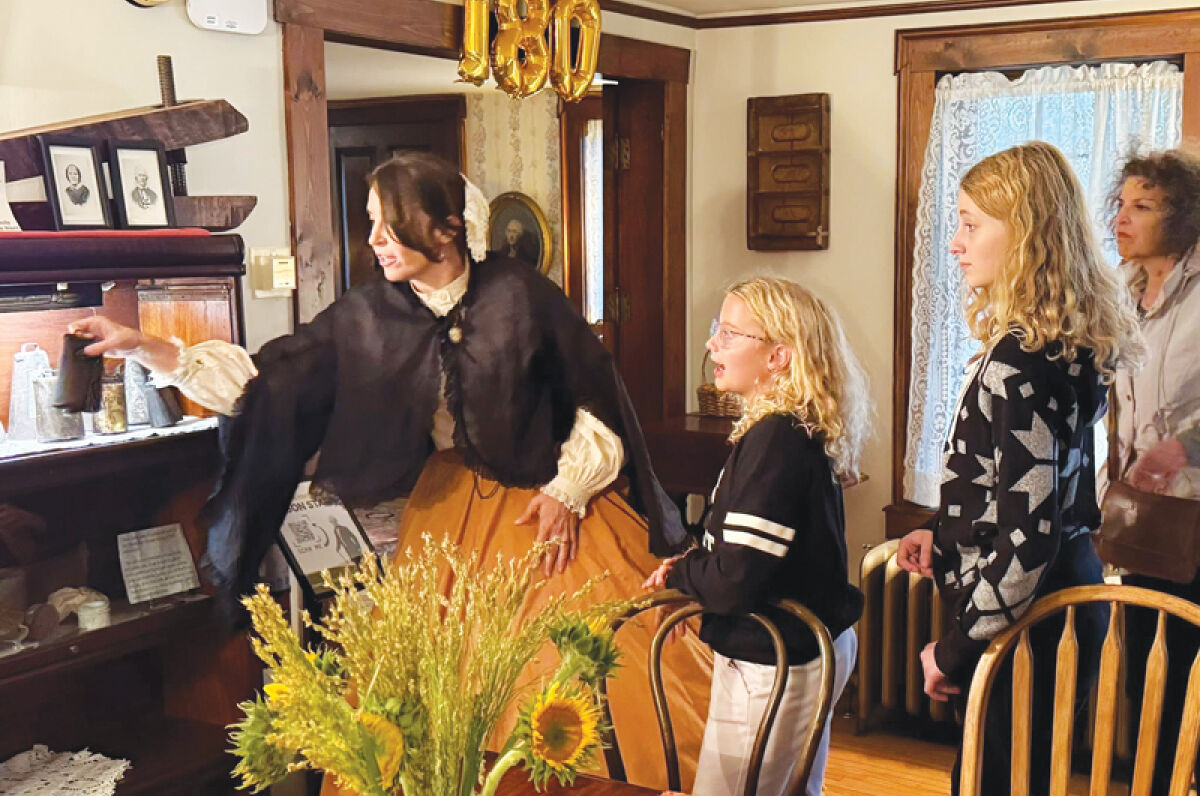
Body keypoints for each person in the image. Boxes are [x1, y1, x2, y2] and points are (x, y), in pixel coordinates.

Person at [68, 151, 712, 791]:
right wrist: (147, 346)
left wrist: (567, 492)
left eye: (389, 221)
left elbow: (597, 404)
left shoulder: (521, 296)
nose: (373, 239)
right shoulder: (371, 315)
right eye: (370, 221)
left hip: (547, 513)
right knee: (431, 704)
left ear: (445, 228)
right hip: (447, 518)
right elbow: (271, 383)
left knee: (570, 692)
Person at [896, 142, 1142, 795]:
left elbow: (1026, 539)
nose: (955, 242)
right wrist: (941, 527)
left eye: (972, 224)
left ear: (1028, 234)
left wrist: (951, 650)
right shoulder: (1059, 345)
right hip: (1059, 605)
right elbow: (1029, 491)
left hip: (1027, 627)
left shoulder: (1019, 361)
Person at [643, 277, 870, 796]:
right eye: (714, 330)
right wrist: (689, 569)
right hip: (793, 647)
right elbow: (729, 547)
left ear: (778, 357)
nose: (711, 345)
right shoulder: (778, 429)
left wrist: (684, 573)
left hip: (776, 656)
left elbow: (734, 583)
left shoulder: (777, 440)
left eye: (728, 333)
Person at [1110, 148, 1200, 796]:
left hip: (1197, 505)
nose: (1123, 217)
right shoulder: (1124, 289)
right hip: (1145, 510)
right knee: (1150, 666)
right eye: (1120, 202)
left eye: (1142, 206)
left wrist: (1187, 446)